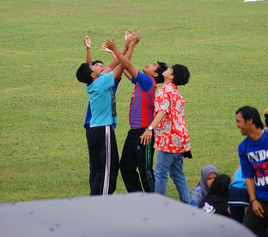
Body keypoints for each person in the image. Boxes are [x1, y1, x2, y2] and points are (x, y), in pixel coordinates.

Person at [76, 32, 139, 196]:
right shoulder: (102, 83)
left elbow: (114, 64)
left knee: (98, 167)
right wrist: (131, 46)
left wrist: (124, 48)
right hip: (103, 129)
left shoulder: (92, 84)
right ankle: (104, 199)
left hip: (94, 130)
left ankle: (95, 196)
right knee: (109, 167)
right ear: (93, 74)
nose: (99, 66)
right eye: (94, 66)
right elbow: (123, 66)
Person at [102, 36, 167, 193]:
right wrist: (117, 53)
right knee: (125, 168)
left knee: (146, 171)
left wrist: (125, 47)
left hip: (144, 133)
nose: (149, 64)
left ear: (155, 74)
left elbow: (128, 65)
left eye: (153, 65)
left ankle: (154, 199)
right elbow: (124, 67)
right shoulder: (140, 82)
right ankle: (138, 197)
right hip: (133, 133)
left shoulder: (147, 82)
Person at [140, 64, 191, 203]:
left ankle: (158, 206)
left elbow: (162, 111)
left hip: (169, 139)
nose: (166, 69)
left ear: (171, 76)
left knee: (160, 173)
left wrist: (150, 129)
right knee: (177, 173)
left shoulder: (164, 91)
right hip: (180, 138)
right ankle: (189, 203)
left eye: (169, 70)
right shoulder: (176, 93)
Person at [236, 105, 268, 237]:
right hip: (260, 201)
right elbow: (248, 176)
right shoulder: (243, 147)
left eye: (239, 122)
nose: (237, 126)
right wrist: (253, 200)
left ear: (250, 121)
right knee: (246, 236)